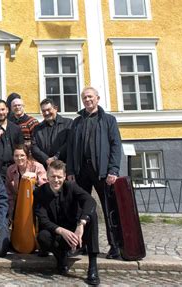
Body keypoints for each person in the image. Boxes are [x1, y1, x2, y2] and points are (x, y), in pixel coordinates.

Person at [67, 86, 122, 260]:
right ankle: (81, 244)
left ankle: (115, 246)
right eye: (84, 98)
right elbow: (70, 149)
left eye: (90, 97)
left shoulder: (108, 120)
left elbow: (115, 146)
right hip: (81, 170)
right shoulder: (77, 122)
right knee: (81, 209)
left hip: (102, 172)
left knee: (108, 209)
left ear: (97, 98)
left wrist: (113, 169)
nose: (87, 100)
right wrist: (70, 170)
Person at [34, 160, 100, 285]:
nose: (56, 180)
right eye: (53, 176)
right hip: (57, 235)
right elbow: (43, 219)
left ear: (64, 177)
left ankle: (93, 266)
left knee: (93, 215)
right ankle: (60, 258)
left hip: (76, 236)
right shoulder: (39, 192)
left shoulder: (71, 186)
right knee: (42, 236)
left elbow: (90, 201)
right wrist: (61, 230)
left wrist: (81, 224)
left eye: (59, 177)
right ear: (47, 176)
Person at [5, 144, 47, 221]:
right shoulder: (10, 170)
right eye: (16, 156)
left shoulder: (37, 167)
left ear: (27, 156)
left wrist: (36, 179)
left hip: (36, 202)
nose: (19, 158)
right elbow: (9, 193)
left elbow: (45, 187)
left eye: (22, 155)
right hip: (19, 203)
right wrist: (11, 211)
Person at [31, 98, 72, 168]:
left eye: (48, 109)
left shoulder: (68, 123)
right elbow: (34, 147)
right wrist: (46, 159)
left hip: (64, 166)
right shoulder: (37, 128)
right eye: (43, 111)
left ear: (56, 108)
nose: (46, 113)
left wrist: (55, 157)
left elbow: (69, 142)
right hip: (44, 167)